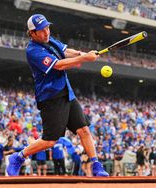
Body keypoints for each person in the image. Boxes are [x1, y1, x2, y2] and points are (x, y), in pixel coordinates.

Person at [6, 14, 108, 177]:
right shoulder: (33, 51)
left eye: (47, 27)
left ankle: (96, 165)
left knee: (84, 130)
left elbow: (66, 51)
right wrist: (84, 58)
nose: (46, 32)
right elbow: (59, 65)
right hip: (50, 97)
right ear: (32, 33)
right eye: (41, 30)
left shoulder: (49, 39)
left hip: (66, 92)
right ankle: (17, 157)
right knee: (49, 140)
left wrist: (82, 53)